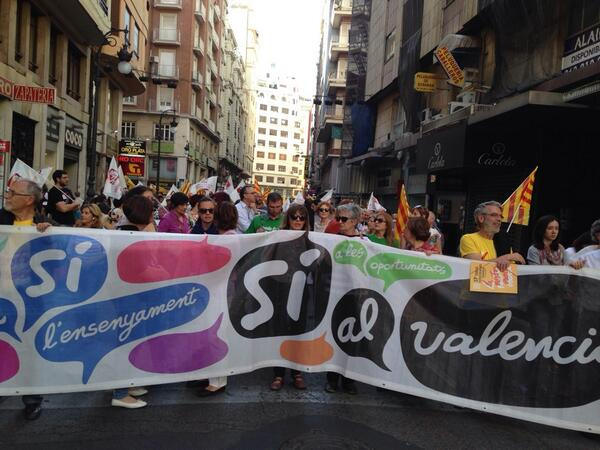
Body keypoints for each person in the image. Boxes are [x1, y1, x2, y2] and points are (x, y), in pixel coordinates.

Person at [0, 179, 52, 420]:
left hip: (28, 302)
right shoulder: (2, 220)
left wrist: (47, 234)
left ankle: (32, 399)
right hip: (1, 296)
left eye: (12, 192)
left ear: (29, 199)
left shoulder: (45, 226)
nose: (7, 195)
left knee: (27, 349)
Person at [196, 201, 239, 397]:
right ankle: (212, 375)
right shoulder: (224, 236)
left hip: (221, 290)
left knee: (217, 333)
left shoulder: (228, 238)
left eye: (214, 212)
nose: (210, 215)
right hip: (217, 290)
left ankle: (218, 380)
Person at [325, 203, 365, 395]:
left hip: (356, 298)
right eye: (337, 218)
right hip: (334, 295)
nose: (339, 222)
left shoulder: (367, 242)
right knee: (333, 337)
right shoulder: (330, 240)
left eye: (344, 219)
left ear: (355, 221)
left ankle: (349, 380)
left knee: (352, 339)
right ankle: (331, 379)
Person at [269, 204, 311, 391]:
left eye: (302, 218)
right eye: (294, 217)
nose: (298, 221)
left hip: (302, 290)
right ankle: (278, 374)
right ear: (288, 218)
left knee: (298, 332)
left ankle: (297, 373)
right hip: (280, 289)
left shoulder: (311, 239)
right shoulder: (278, 237)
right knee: (280, 331)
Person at [459, 201, 525, 271]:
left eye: (501, 216)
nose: (499, 219)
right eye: (494, 215)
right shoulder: (468, 238)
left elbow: (513, 268)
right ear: (481, 218)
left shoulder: (504, 241)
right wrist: (507, 257)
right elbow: (476, 266)